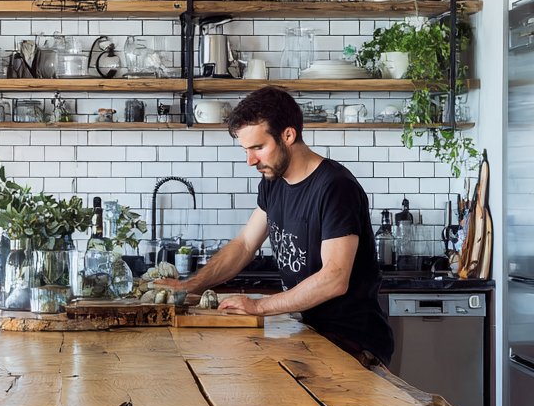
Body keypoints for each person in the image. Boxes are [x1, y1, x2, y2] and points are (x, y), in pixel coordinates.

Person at [160, 86, 394, 365]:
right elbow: (245, 245)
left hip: (352, 342)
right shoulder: (273, 184)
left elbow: (334, 278)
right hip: (310, 333)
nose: (250, 161)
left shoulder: (335, 187)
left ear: (288, 134)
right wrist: (189, 285)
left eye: (258, 148)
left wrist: (259, 306)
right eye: (246, 150)